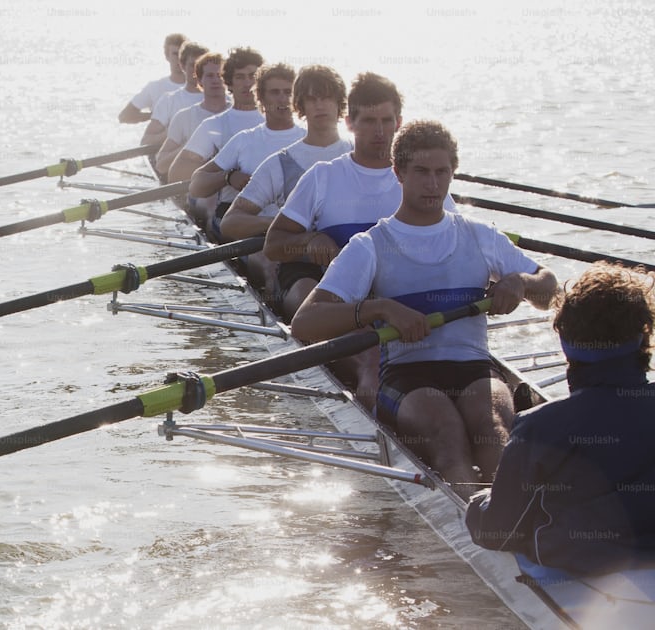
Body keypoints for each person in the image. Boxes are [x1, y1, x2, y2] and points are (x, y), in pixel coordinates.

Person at [290, 120, 558, 494]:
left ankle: (511, 525)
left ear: (452, 173)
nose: (433, 184)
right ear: (398, 172)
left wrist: (520, 282)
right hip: (406, 375)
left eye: (441, 172)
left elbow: (549, 289)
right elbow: (305, 323)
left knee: (493, 428)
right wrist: (377, 309)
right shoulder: (369, 245)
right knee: (447, 433)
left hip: (474, 368)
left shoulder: (480, 235)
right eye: (421, 172)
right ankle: (483, 526)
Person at [466, 262, 655, 576]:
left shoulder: (539, 428)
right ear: (644, 336)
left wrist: (478, 501)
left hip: (587, 571)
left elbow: (497, 531)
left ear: (566, 343)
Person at [262, 72, 427, 409]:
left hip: (391, 294)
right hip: (332, 295)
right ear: (350, 122)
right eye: (368, 121)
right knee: (370, 362)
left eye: (387, 121)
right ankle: (379, 429)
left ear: (400, 123)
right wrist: (309, 242)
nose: (380, 132)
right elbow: (273, 245)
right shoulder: (324, 176)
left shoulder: (420, 178)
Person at [216, 65, 352, 289]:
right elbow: (230, 223)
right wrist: (282, 226)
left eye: (327, 97)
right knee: (305, 293)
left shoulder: (359, 156)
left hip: (353, 262)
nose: (320, 105)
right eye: (311, 99)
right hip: (300, 267)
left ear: (340, 104)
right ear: (299, 106)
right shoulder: (279, 163)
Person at [185, 63, 304, 231]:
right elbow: (196, 185)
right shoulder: (245, 140)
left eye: (288, 92)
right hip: (252, 232)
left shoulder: (307, 138)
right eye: (275, 92)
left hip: (297, 231)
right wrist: (228, 177)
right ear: (261, 98)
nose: (283, 99)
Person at [166, 47, 266, 184]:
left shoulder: (281, 121)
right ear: (228, 82)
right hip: (230, 203)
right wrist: (224, 174)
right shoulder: (212, 125)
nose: (248, 83)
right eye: (240, 77)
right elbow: (176, 175)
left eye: (253, 76)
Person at [153, 52, 232, 181]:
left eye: (220, 75)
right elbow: (161, 166)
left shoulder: (239, 114)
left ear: (228, 80)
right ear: (200, 80)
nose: (216, 80)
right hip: (194, 191)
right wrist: (191, 146)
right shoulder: (184, 117)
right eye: (210, 76)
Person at [140, 41, 209, 154]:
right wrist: (171, 133)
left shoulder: (225, 100)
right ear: (182, 66)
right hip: (176, 164)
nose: (197, 71)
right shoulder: (169, 101)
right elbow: (146, 141)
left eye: (202, 65)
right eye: (193, 65)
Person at [118, 33, 189, 124]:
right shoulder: (155, 87)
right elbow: (124, 116)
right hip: (161, 137)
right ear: (167, 56)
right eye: (175, 54)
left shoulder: (201, 87)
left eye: (182, 54)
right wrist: (155, 116)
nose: (179, 58)